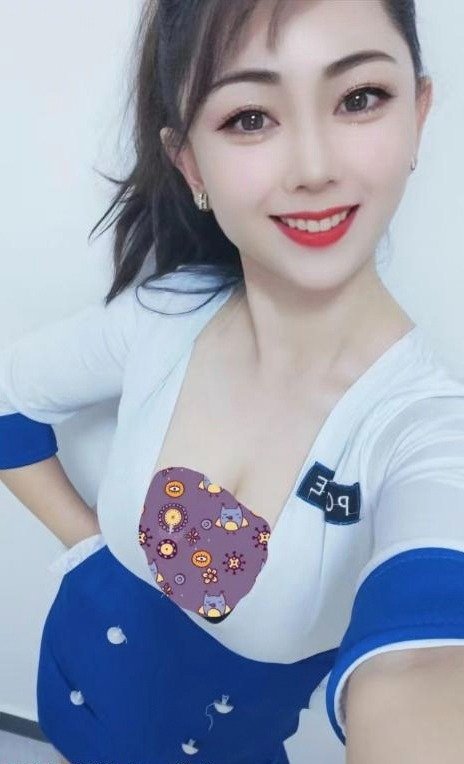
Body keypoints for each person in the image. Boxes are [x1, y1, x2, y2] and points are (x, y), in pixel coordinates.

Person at [1, 1, 464, 763]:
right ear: (190, 164)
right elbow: (10, 402)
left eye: (359, 98)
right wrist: (84, 548)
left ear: (418, 114)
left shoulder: (429, 433)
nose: (314, 168)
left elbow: (424, 664)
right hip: (68, 709)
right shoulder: (162, 317)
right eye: (250, 117)